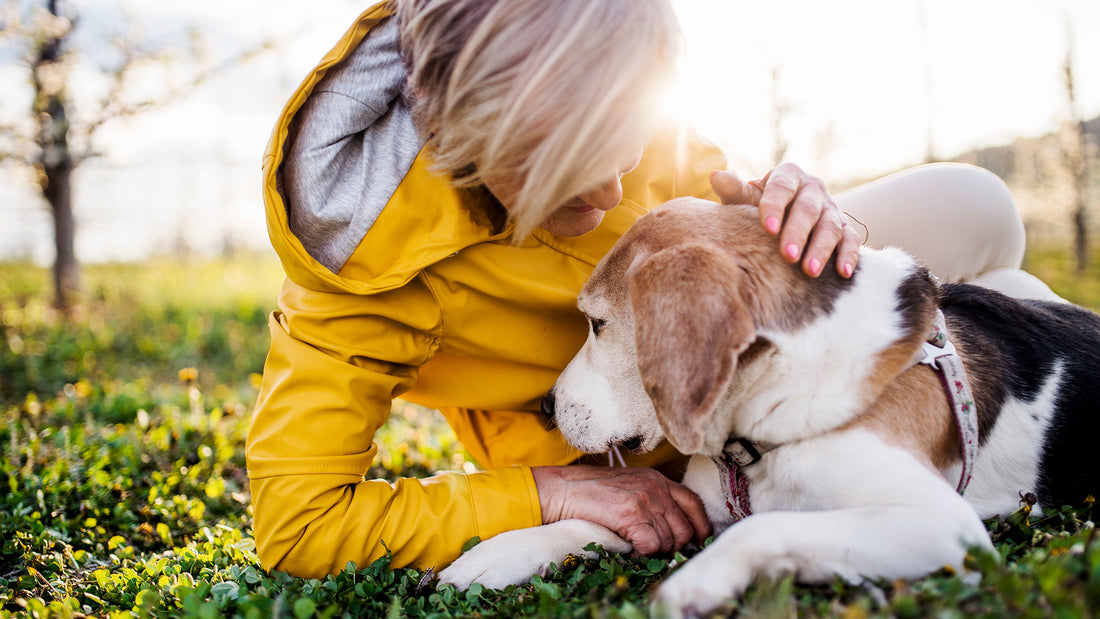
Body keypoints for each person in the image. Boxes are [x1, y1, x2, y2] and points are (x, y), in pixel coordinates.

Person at [247, 0, 1060, 580]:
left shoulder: (620, 89)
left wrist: (800, 213)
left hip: (736, 358)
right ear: (468, 132)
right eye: (568, 171)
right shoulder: (355, 252)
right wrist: (549, 490)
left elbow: (712, 221)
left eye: (623, 147)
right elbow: (300, 522)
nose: (611, 188)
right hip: (600, 433)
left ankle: (988, 384)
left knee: (978, 207)